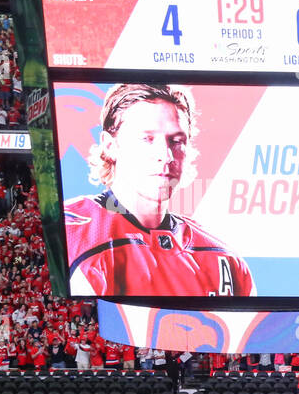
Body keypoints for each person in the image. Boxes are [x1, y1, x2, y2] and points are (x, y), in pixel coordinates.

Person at [64, 83, 254, 298]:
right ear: (110, 145)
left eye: (176, 141)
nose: (166, 155)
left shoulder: (224, 259)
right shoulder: (70, 233)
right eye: (147, 139)